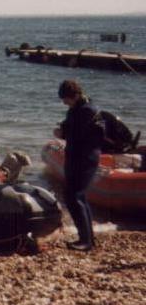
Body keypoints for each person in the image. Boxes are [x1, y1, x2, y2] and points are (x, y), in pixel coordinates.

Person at [54, 80, 102, 251]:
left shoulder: (86, 110)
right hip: (79, 156)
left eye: (65, 99)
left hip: (84, 158)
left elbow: (77, 134)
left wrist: (62, 133)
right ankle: (88, 238)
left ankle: (86, 241)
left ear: (74, 95)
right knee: (78, 197)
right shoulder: (81, 108)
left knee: (73, 196)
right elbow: (71, 127)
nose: (64, 102)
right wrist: (63, 128)